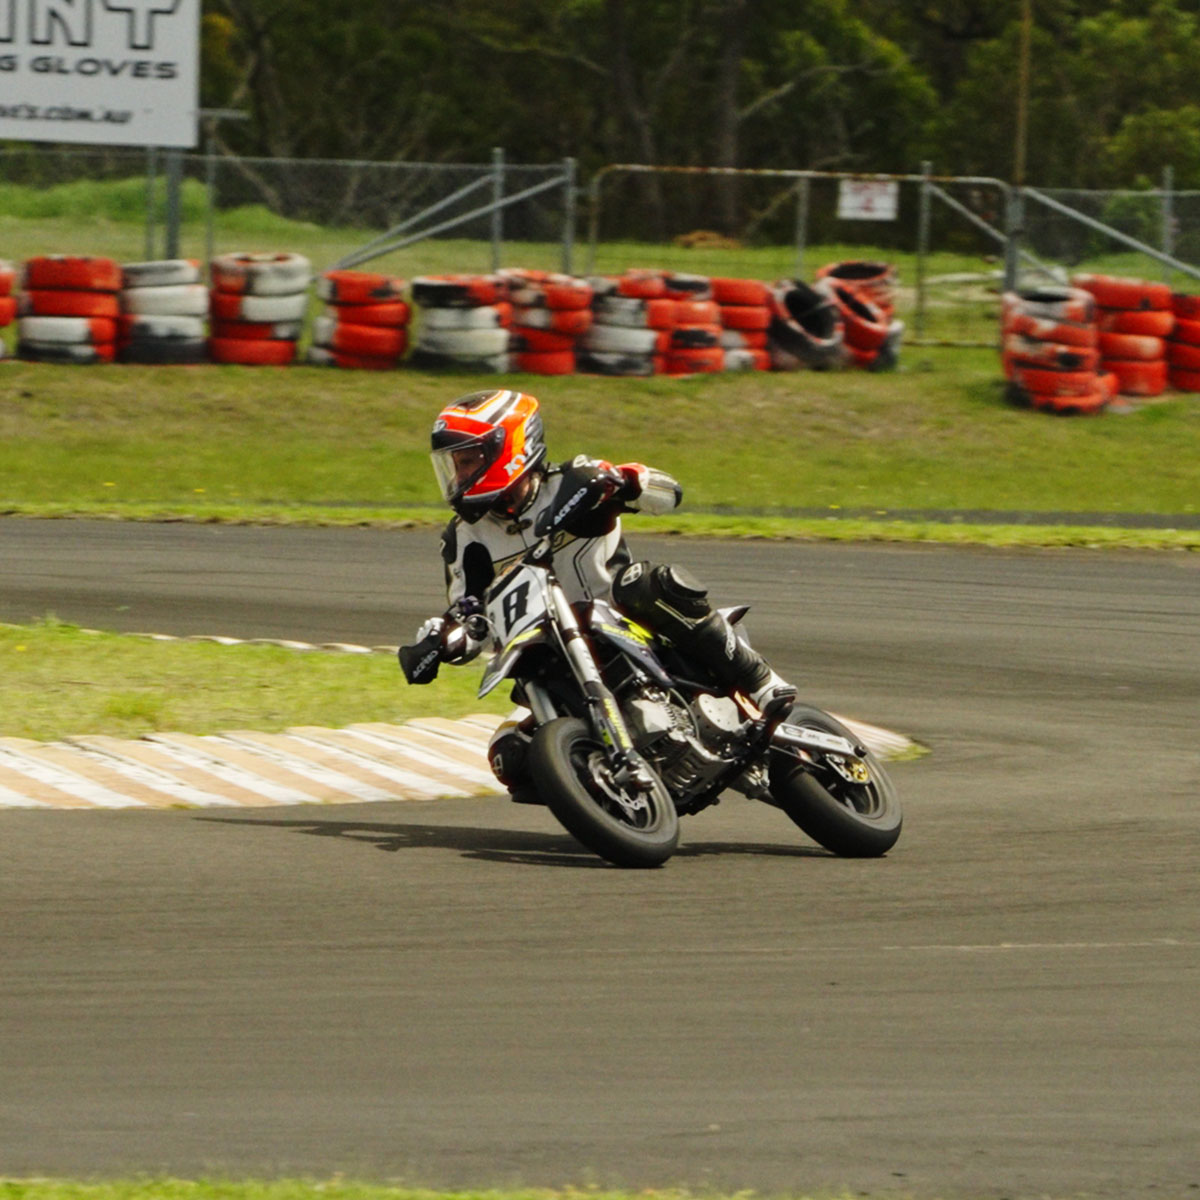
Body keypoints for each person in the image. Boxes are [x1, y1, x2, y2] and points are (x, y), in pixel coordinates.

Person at [399, 388, 795, 800]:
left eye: (467, 461)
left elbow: (669, 493)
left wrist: (627, 481)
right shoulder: (464, 539)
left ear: (510, 447)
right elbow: (471, 613)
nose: (459, 475)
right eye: (454, 465)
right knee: (509, 755)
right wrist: (443, 640)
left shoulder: (571, 480)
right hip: (550, 656)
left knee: (646, 582)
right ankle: (605, 794)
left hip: (628, 621)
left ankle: (760, 680)